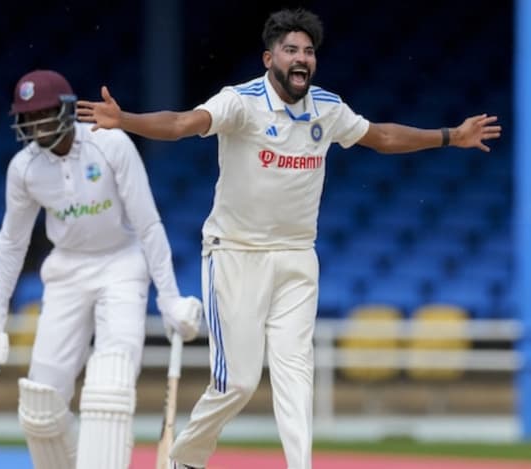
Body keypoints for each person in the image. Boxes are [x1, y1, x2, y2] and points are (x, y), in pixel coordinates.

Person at [77, 7, 502, 469]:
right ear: (269, 58)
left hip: (298, 255)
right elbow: (181, 124)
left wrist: (450, 135)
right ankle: (185, 459)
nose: (302, 58)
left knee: (297, 375)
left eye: (308, 51)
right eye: (291, 50)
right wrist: (125, 119)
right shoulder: (240, 102)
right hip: (235, 253)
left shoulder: (327, 107)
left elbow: (381, 137)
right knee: (237, 384)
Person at [0, 69, 203, 469]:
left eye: (44, 114)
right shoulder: (24, 168)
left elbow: (147, 224)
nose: (37, 125)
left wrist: (170, 299)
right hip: (66, 270)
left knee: (110, 387)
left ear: (65, 110)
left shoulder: (110, 144)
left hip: (121, 264)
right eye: (29, 117)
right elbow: (11, 244)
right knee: (39, 406)